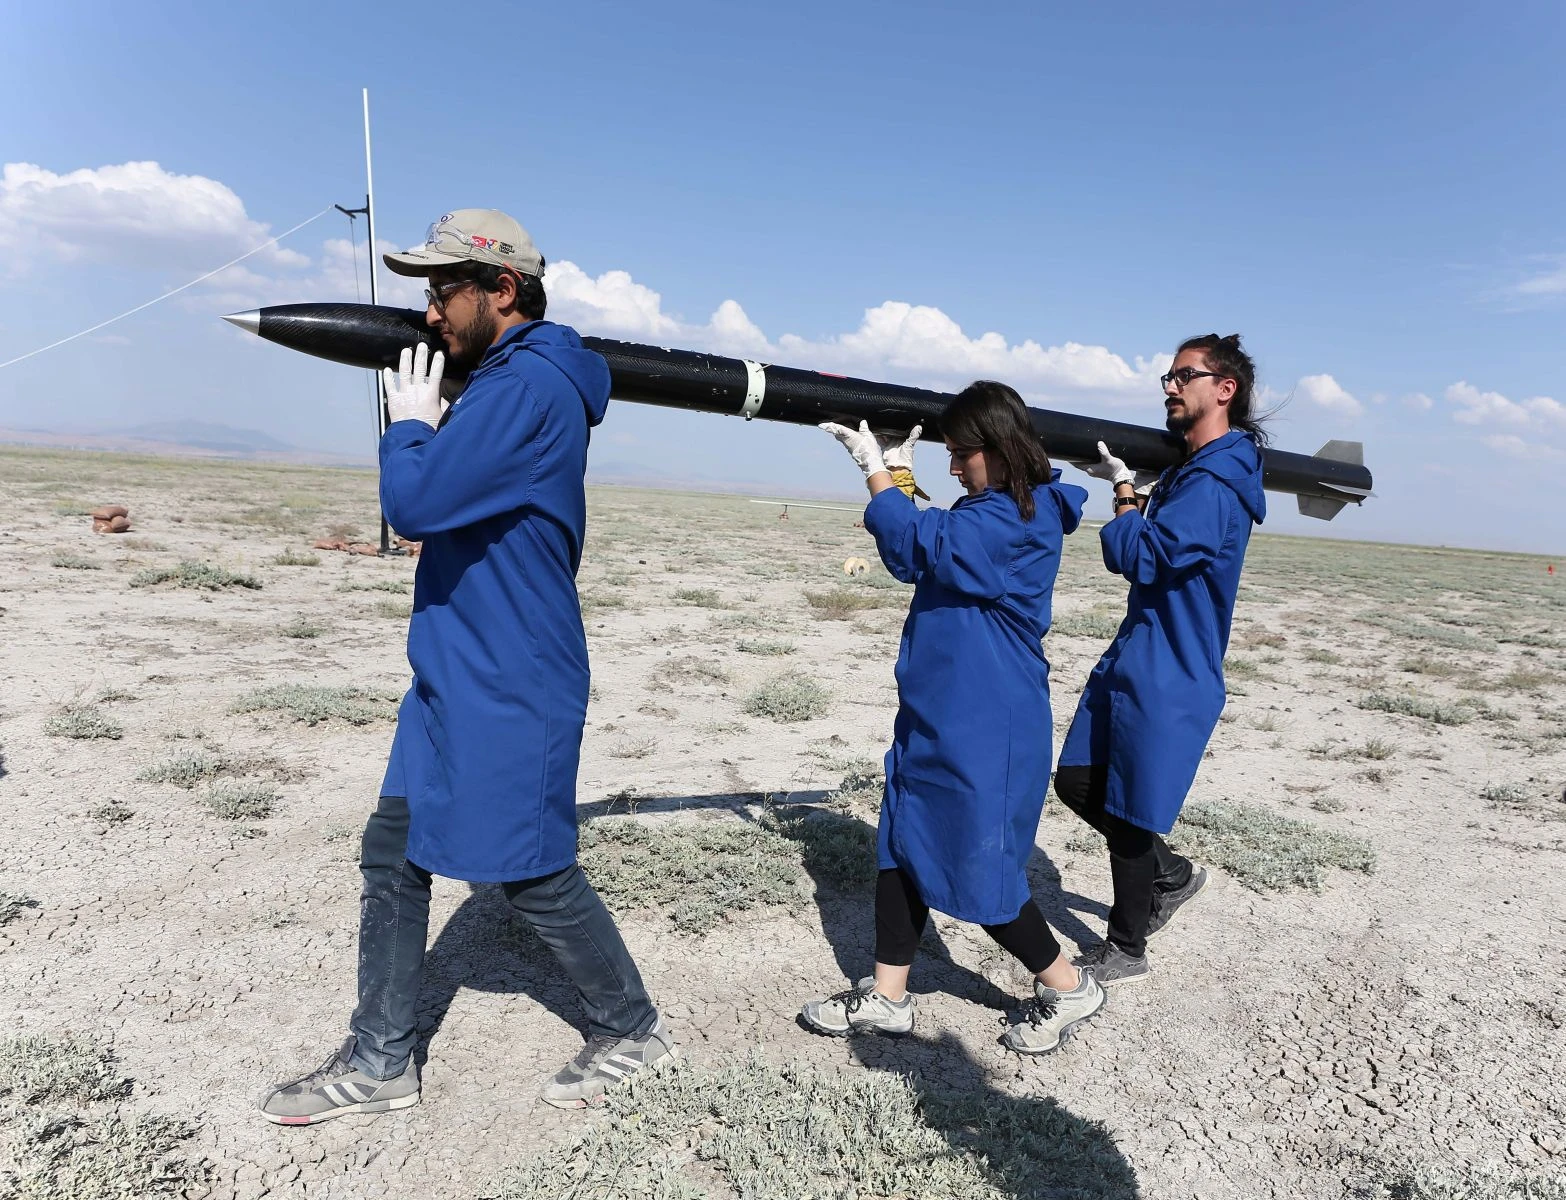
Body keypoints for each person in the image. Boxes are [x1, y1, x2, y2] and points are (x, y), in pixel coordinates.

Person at [260, 209, 673, 1124]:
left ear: (502, 290)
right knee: (394, 853)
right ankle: (380, 1062)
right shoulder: (502, 380)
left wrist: (411, 429)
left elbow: (415, 503)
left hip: (510, 675)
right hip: (455, 667)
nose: (430, 311)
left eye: (444, 291)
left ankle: (633, 1027)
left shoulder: (526, 387)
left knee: (526, 868)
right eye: (427, 292)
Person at [801, 382, 1101, 1055]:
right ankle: (887, 996)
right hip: (939, 716)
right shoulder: (984, 512)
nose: (956, 467)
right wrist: (898, 477)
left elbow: (923, 539)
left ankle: (1069, 986)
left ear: (1002, 450)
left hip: (986, 729)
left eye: (964, 454)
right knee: (903, 845)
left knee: (983, 872)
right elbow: (912, 554)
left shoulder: (1018, 519)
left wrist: (878, 472)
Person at [1055, 333, 1268, 986]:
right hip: (1137, 655)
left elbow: (1140, 556)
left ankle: (1126, 948)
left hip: (1171, 669)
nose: (1170, 387)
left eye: (1183, 376)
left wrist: (1124, 495)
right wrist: (1145, 495)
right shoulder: (1189, 473)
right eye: (1167, 377)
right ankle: (1169, 876)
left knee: (1130, 809)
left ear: (1223, 388)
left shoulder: (1216, 482)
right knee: (1078, 783)